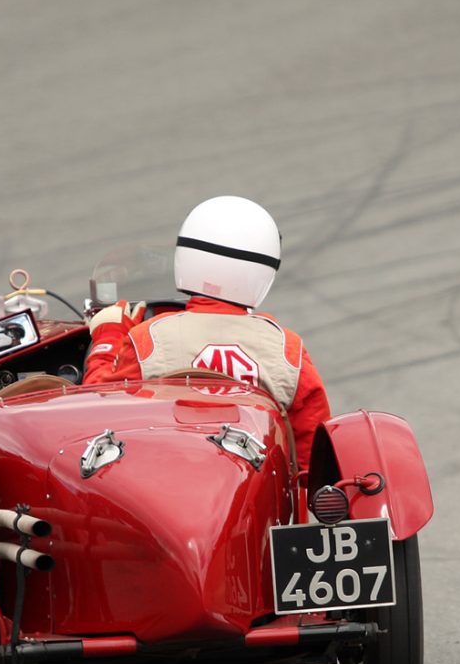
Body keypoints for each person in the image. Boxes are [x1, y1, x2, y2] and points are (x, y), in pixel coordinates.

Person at [83, 196, 331, 469]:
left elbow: (99, 404)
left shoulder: (149, 338)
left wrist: (108, 337)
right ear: (265, 269)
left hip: (167, 480)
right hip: (257, 493)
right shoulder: (286, 348)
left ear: (186, 256)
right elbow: (311, 448)